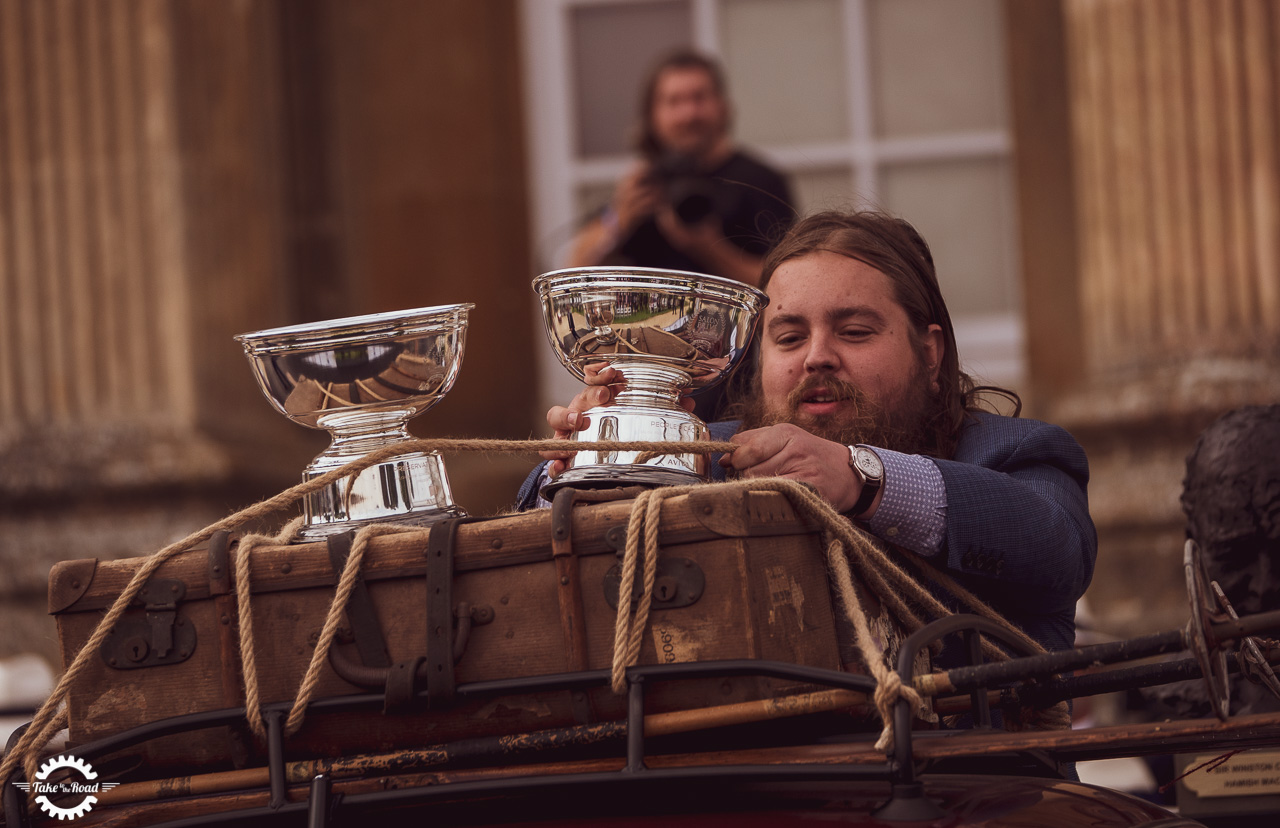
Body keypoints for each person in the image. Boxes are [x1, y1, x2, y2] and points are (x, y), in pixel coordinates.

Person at [521, 210, 1097, 662]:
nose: (818, 357)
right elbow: (519, 558)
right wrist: (580, 465)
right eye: (790, 338)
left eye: (854, 330)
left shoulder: (1017, 452)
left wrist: (859, 478)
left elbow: (1057, 549)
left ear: (929, 354)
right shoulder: (708, 454)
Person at [568, 50, 794, 288]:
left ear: (723, 106)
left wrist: (708, 248)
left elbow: (784, 285)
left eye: (699, 98)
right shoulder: (647, 183)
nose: (688, 114)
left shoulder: (761, 180)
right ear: (652, 115)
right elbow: (573, 271)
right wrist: (618, 219)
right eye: (674, 101)